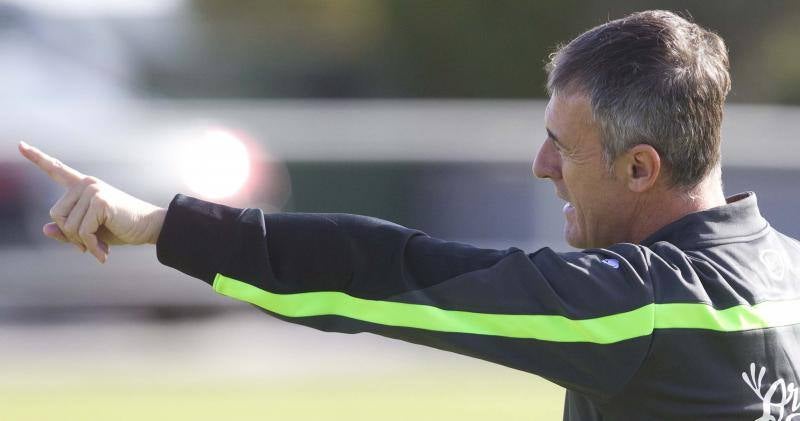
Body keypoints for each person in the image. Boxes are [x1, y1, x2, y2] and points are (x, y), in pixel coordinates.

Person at [17, 10, 800, 421]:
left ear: (640, 169)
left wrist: (161, 225)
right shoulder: (789, 269)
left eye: (565, 146)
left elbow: (387, 273)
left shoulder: (642, 309)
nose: (541, 165)